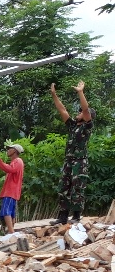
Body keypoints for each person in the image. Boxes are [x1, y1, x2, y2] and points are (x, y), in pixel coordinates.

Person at [52, 81, 94, 225]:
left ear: (87, 116)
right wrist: (54, 95)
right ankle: (63, 216)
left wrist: (80, 92)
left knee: (78, 188)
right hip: (68, 161)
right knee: (63, 187)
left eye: (80, 112)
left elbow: (86, 109)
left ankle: (76, 216)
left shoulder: (87, 127)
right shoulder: (72, 126)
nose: (78, 113)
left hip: (80, 161)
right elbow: (63, 110)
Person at [0, 143, 24, 235]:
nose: (8, 150)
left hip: (11, 191)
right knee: (11, 212)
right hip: (12, 191)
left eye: (9, 149)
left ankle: (11, 231)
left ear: (14, 151)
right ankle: (11, 231)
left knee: (6, 211)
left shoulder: (17, 161)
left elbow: (10, 169)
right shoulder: (16, 161)